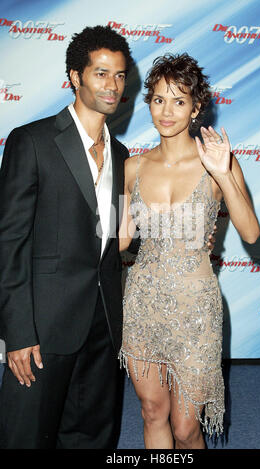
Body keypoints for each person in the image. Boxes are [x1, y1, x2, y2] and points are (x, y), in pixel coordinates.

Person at [0, 25, 133, 449]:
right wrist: (18, 333)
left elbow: (112, 236)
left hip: (103, 323)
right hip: (43, 325)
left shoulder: (122, 153)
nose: (112, 86)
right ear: (75, 77)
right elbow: (9, 243)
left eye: (120, 75)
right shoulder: (32, 141)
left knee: (92, 435)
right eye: (100, 73)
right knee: (25, 436)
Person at [118, 53, 260, 449]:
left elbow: (250, 234)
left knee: (186, 428)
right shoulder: (132, 168)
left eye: (179, 100)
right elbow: (119, 239)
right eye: (159, 99)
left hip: (196, 307)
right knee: (151, 412)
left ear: (196, 108)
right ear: (148, 103)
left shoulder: (218, 161)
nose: (166, 110)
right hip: (143, 301)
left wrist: (222, 173)